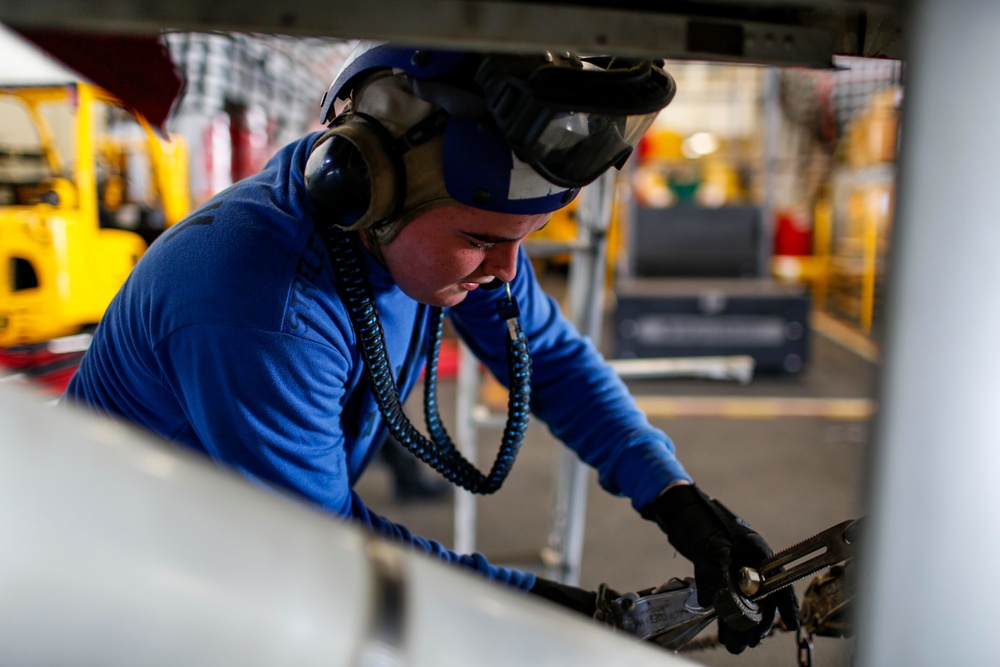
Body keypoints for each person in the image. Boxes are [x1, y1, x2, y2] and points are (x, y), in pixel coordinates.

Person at [63, 42, 798, 653]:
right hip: (123, 601)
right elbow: (331, 547)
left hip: (242, 553)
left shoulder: (422, 238)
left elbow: (552, 360)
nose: (509, 271)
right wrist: (586, 619)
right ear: (362, 186)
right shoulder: (256, 305)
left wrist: (677, 499)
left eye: (524, 240)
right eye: (481, 240)